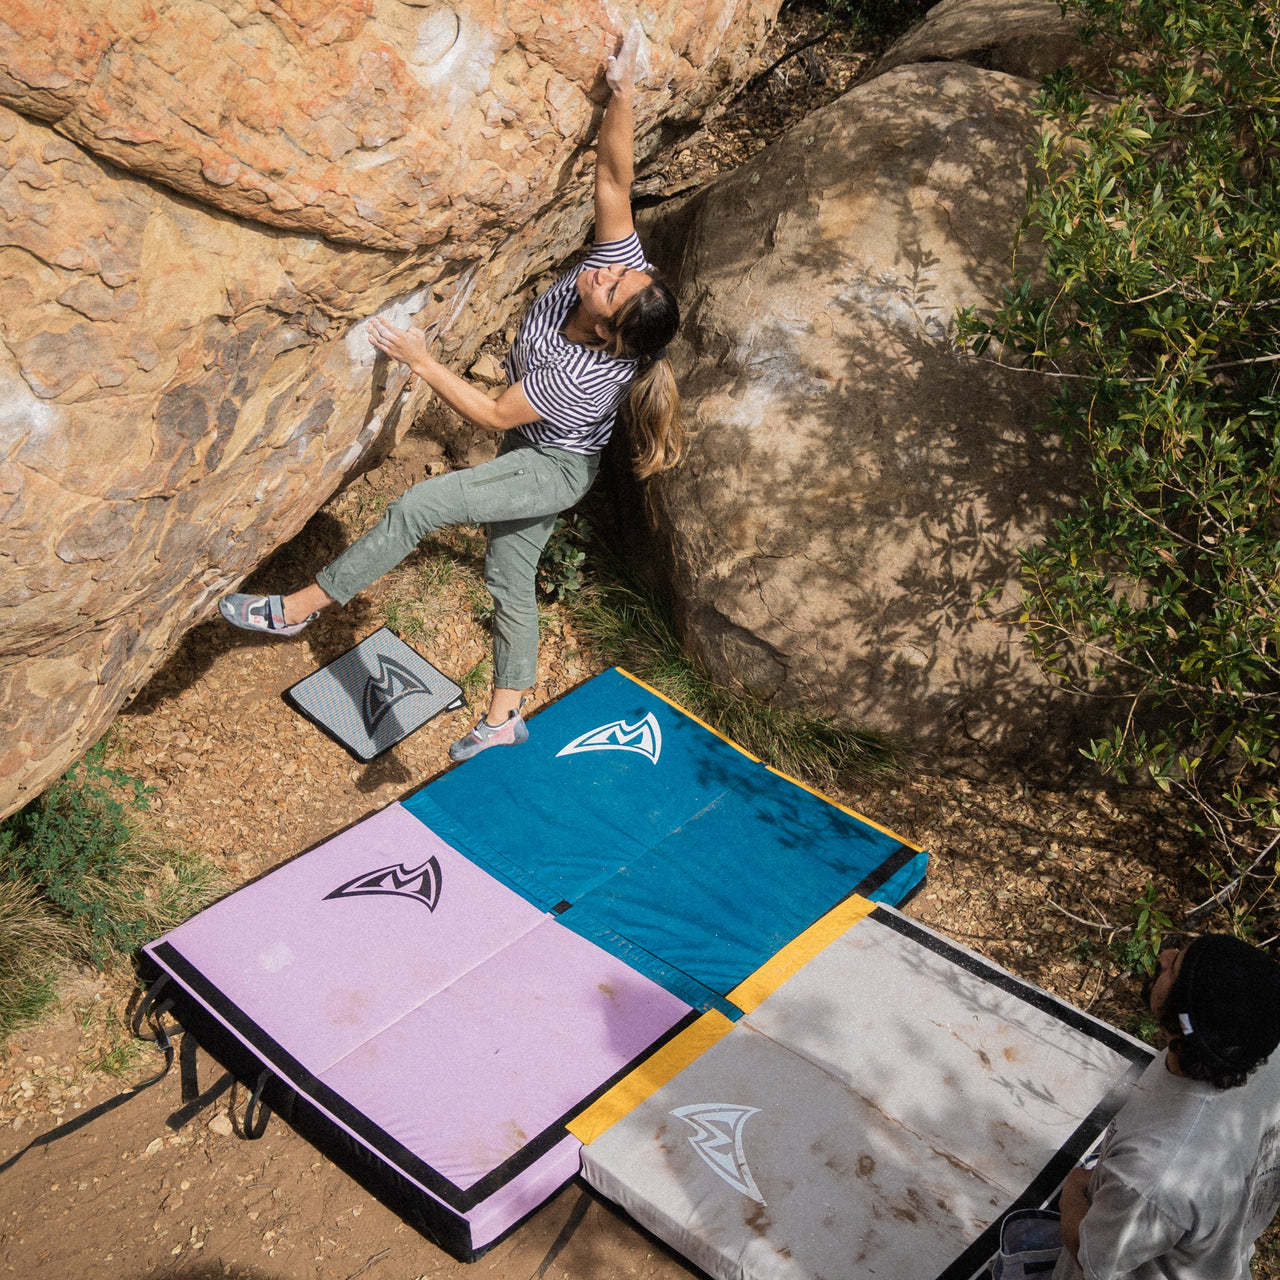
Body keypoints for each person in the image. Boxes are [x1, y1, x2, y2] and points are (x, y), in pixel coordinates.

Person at [219, 33, 683, 762]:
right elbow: (614, 184)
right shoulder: (618, 265)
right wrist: (623, 93)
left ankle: (300, 609)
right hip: (534, 449)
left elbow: (497, 414)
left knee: (418, 506)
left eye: (615, 289)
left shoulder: (583, 374)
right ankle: (505, 715)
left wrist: (420, 360)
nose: (608, 272)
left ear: (612, 333)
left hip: (550, 466)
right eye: (622, 274)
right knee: (509, 575)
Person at [1053, 933, 1280, 1280]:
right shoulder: (1258, 1046)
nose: (1164, 956)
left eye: (1174, 967)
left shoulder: (1156, 1176)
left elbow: (1091, 1256)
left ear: (1185, 1021)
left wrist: (1072, 1190)